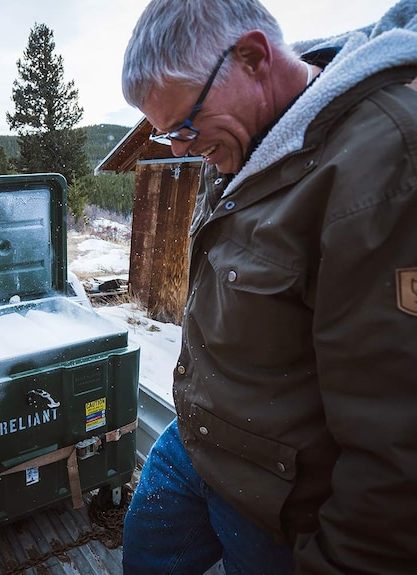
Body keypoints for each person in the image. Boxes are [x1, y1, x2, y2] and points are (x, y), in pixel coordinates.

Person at [119, 1, 417, 573]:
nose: (180, 150)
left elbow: (396, 441)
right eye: (165, 136)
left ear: (252, 58)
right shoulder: (246, 135)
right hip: (196, 440)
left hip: (277, 499)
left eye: (185, 125)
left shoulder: (381, 168)